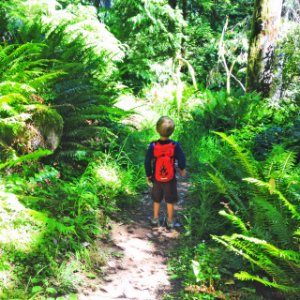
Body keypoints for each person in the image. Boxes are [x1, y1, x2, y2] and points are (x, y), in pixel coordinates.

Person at [144, 116, 186, 229]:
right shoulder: (175, 145)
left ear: (157, 130)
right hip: (170, 178)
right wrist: (182, 168)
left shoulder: (153, 146)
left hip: (157, 178)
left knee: (156, 199)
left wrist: (148, 175)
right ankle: (170, 220)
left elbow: (147, 161)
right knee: (170, 200)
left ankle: (155, 218)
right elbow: (182, 158)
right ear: (172, 132)